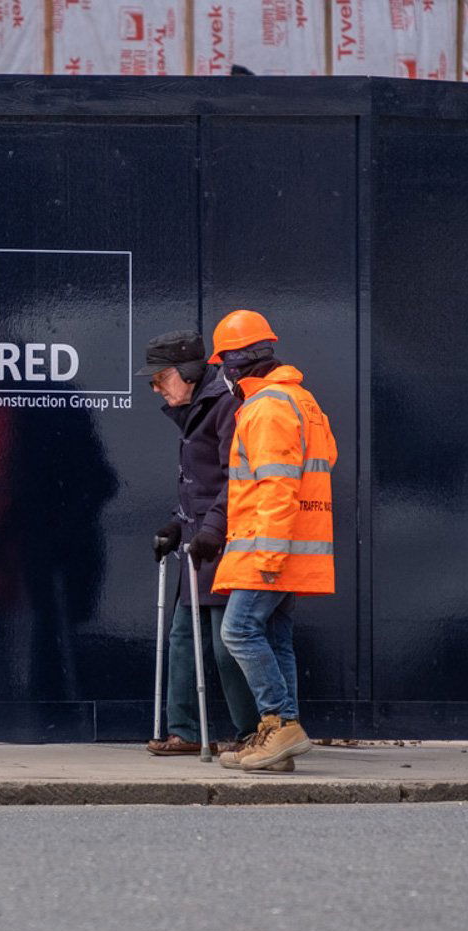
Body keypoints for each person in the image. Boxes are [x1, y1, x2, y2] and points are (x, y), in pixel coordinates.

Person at [207, 310, 337, 772]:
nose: (221, 372)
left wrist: (269, 553)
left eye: (223, 362)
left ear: (236, 364)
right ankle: (280, 733)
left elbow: (278, 486)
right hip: (292, 549)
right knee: (276, 638)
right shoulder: (302, 401)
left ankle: (280, 726)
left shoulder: (267, 408)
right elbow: (328, 458)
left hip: (270, 548)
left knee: (238, 631)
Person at [137, 330, 275, 765]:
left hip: (227, 544)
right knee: (182, 636)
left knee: (224, 643)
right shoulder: (196, 410)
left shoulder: (226, 409)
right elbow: (198, 488)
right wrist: (177, 527)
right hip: (200, 545)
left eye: (159, 379)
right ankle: (184, 731)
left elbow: (235, 480)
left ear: (188, 373)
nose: (155, 388)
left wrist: (212, 530)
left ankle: (251, 732)